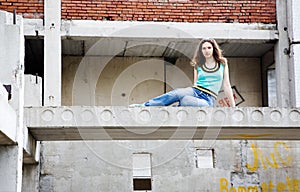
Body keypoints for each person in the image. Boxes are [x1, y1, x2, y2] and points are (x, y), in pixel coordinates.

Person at [130, 38, 236, 107]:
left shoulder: (222, 63)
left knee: (185, 100)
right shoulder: (198, 64)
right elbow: (195, 84)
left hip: (208, 99)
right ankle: (145, 106)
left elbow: (226, 85)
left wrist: (233, 107)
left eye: (209, 47)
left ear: (213, 49)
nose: (207, 50)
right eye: (204, 48)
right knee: (176, 93)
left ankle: (175, 111)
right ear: (201, 51)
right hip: (196, 91)